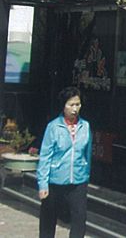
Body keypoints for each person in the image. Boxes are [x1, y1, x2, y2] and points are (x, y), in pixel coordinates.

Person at [37, 86, 92, 238]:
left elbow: (87, 154)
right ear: (64, 105)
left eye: (78, 104)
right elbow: (45, 156)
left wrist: (85, 175)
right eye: (71, 105)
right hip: (55, 180)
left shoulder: (85, 126)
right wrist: (43, 183)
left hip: (78, 181)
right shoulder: (53, 127)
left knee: (79, 219)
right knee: (48, 221)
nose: (75, 109)